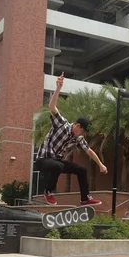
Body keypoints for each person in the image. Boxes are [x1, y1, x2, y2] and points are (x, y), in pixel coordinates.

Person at [35, 72, 108, 206]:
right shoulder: (62, 124)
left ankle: (85, 198)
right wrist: (58, 88)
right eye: (83, 131)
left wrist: (101, 165)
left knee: (81, 170)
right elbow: (52, 107)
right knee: (58, 165)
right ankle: (48, 191)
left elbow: (89, 151)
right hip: (42, 160)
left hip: (56, 162)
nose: (83, 135)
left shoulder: (77, 138)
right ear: (77, 125)